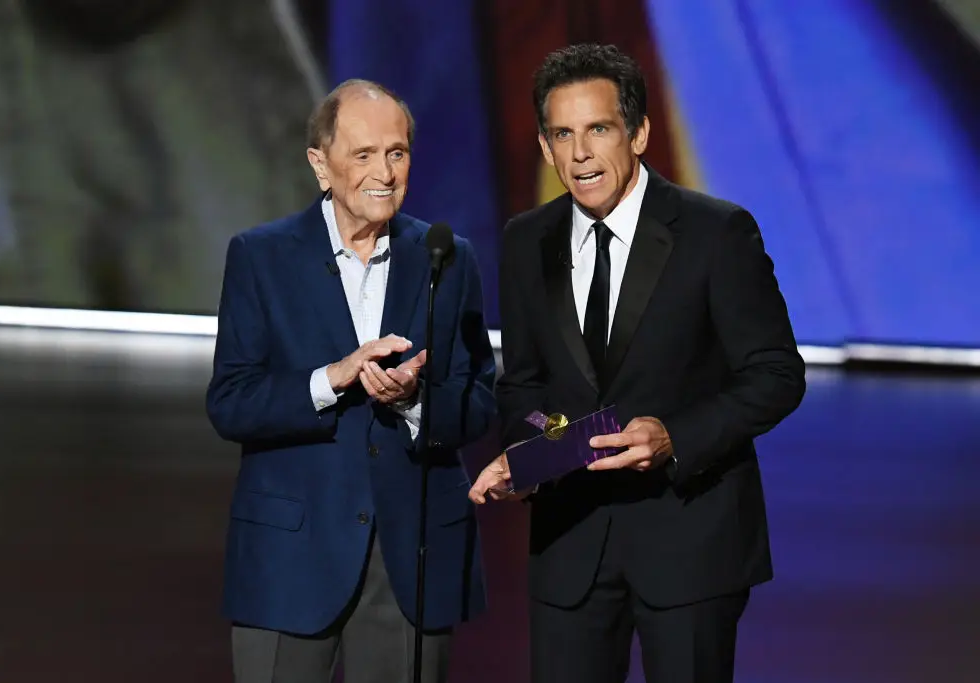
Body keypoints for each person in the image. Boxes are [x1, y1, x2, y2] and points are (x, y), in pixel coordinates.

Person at [469, 44, 806, 683]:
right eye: (562, 135)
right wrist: (545, 448)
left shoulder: (717, 233)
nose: (580, 153)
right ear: (544, 147)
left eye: (598, 129)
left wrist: (676, 435)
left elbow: (776, 374)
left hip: (689, 544)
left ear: (640, 132)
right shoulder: (526, 240)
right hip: (571, 547)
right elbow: (521, 385)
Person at [207, 79, 496, 683]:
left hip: (409, 558)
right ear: (321, 164)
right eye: (363, 154)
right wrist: (332, 379)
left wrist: (416, 402)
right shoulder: (261, 257)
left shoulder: (446, 257)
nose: (384, 173)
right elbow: (231, 403)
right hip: (291, 558)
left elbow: (477, 401)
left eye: (397, 152)